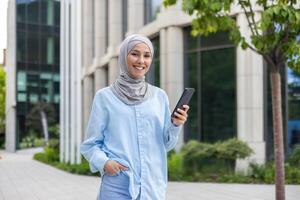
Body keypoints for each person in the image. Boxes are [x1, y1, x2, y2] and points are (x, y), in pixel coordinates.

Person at [80, 34, 190, 200]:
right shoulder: (105, 97)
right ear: (124, 56)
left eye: (147, 56)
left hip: (151, 187)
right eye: (135, 54)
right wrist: (105, 163)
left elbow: (165, 145)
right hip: (117, 186)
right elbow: (90, 145)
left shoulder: (159, 96)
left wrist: (175, 125)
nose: (141, 61)